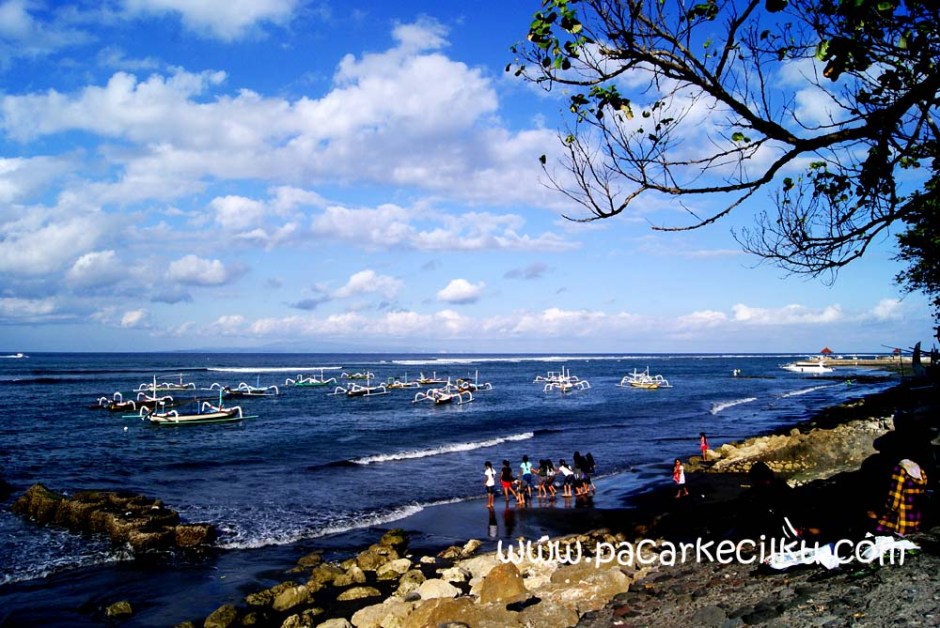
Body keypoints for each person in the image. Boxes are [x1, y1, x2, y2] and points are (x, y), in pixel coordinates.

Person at [876, 458, 929, 536]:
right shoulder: (920, 470)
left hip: (902, 521)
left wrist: (881, 512)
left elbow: (894, 501)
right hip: (915, 519)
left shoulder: (900, 470)